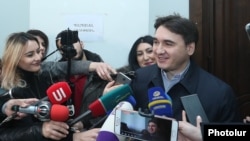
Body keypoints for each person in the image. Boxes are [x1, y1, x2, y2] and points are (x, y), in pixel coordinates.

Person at [0, 32, 115, 141]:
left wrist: (71, 130)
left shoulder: (41, 74)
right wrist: (42, 130)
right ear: (15, 58)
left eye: (38, 51)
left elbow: (64, 67)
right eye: (30, 55)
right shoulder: (9, 91)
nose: (38, 57)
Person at [129, 13, 240, 123]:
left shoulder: (219, 93)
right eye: (156, 42)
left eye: (168, 44)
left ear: (190, 48)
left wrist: (202, 135)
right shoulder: (139, 78)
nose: (158, 50)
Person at [55, 29, 110, 129]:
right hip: (65, 133)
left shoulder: (102, 74)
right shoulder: (56, 76)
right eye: (63, 46)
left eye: (72, 42)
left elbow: (108, 111)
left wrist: (84, 124)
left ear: (81, 44)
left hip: (93, 133)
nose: (69, 47)